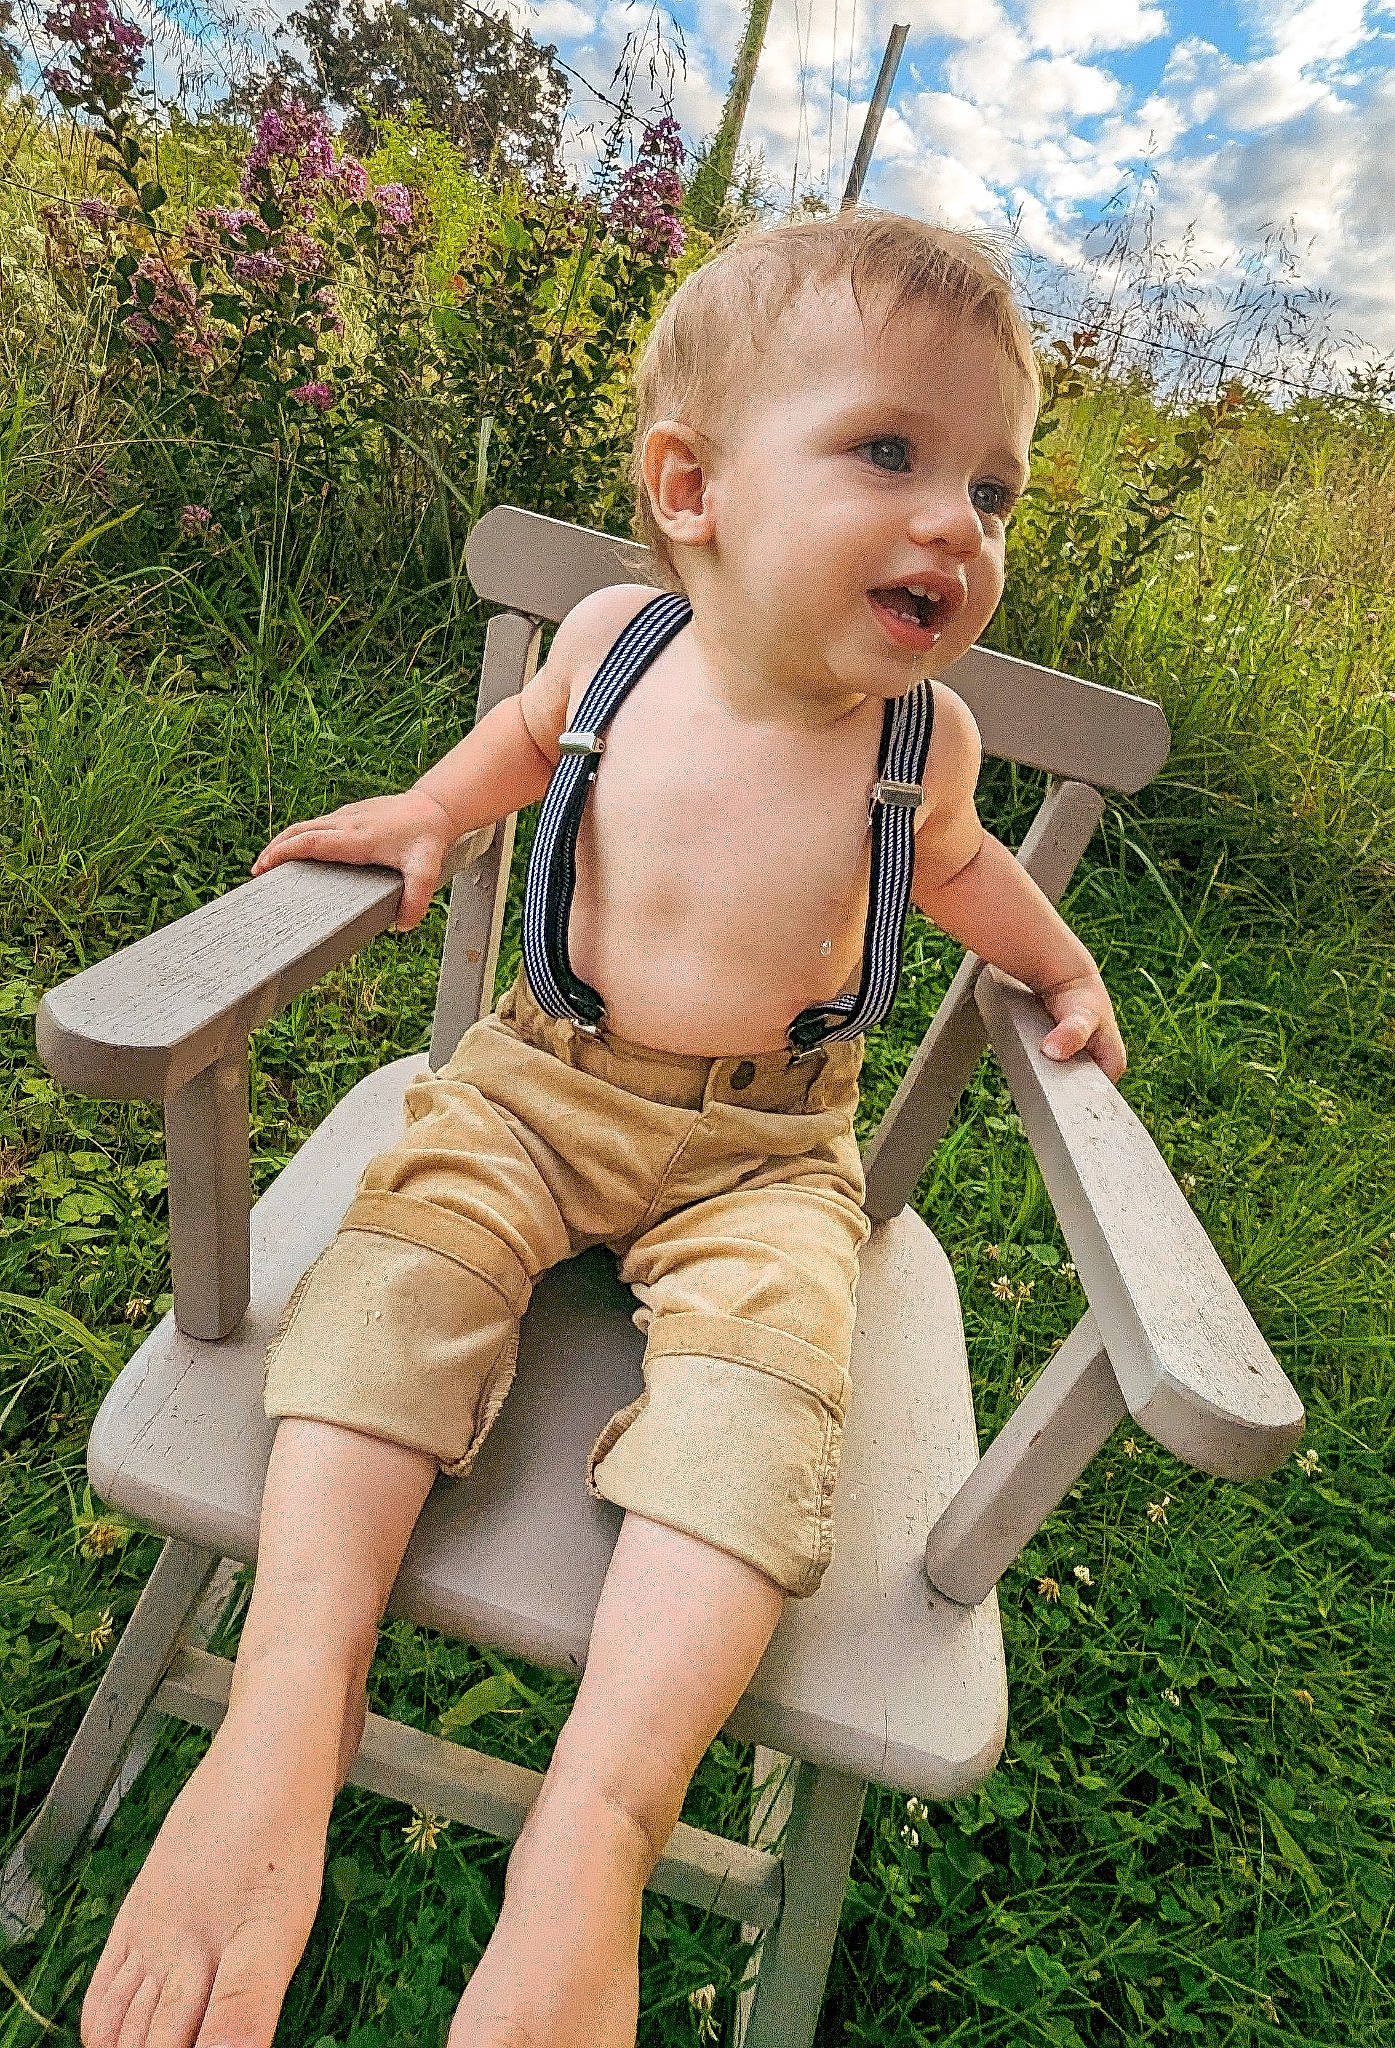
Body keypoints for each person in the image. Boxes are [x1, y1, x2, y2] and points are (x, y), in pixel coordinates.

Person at [81, 208, 1126, 2048]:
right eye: (891, 451)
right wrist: (423, 811)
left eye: (994, 485)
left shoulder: (925, 744)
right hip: (536, 1083)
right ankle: (288, 1701)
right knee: (396, 1283)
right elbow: (525, 749)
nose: (959, 522)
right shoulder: (616, 641)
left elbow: (957, 880)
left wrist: (1060, 969)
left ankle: (600, 1829)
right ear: (693, 487)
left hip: (768, 1156)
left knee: (759, 1411)